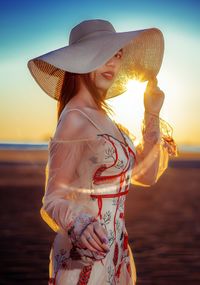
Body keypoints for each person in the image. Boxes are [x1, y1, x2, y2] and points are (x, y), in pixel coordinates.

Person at [27, 19, 177, 285]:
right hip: (84, 257)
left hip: (116, 254)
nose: (113, 62)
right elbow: (52, 199)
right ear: (81, 61)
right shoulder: (74, 118)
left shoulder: (106, 119)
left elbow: (147, 174)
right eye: (104, 54)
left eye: (117, 54)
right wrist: (80, 224)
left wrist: (151, 112)